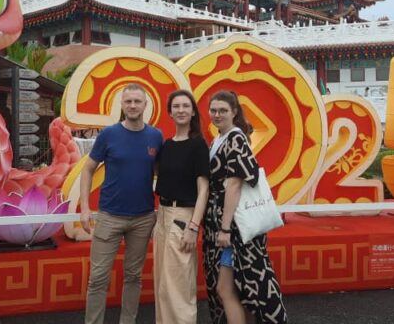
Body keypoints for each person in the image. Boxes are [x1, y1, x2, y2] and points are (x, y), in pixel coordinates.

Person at [79, 83, 163, 324]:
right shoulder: (109, 134)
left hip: (143, 218)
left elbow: (161, 173)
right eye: (129, 101)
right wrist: (85, 208)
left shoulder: (155, 136)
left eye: (137, 101)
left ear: (146, 105)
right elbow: (88, 170)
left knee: (134, 276)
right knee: (97, 278)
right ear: (122, 105)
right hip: (109, 216)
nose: (133, 105)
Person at [203, 91, 287, 323]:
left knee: (225, 289)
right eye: (213, 110)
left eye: (223, 110)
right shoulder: (219, 138)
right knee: (242, 289)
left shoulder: (235, 138)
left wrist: (225, 228)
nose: (217, 114)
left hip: (234, 230)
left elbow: (234, 185)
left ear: (234, 112)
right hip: (224, 225)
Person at [153, 90, 210, 324]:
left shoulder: (198, 145)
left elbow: (203, 189)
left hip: (184, 217)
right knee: (163, 285)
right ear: (169, 112)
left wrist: (193, 226)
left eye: (186, 106)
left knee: (180, 287)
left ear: (193, 111)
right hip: (163, 214)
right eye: (176, 106)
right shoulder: (166, 145)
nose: (181, 110)